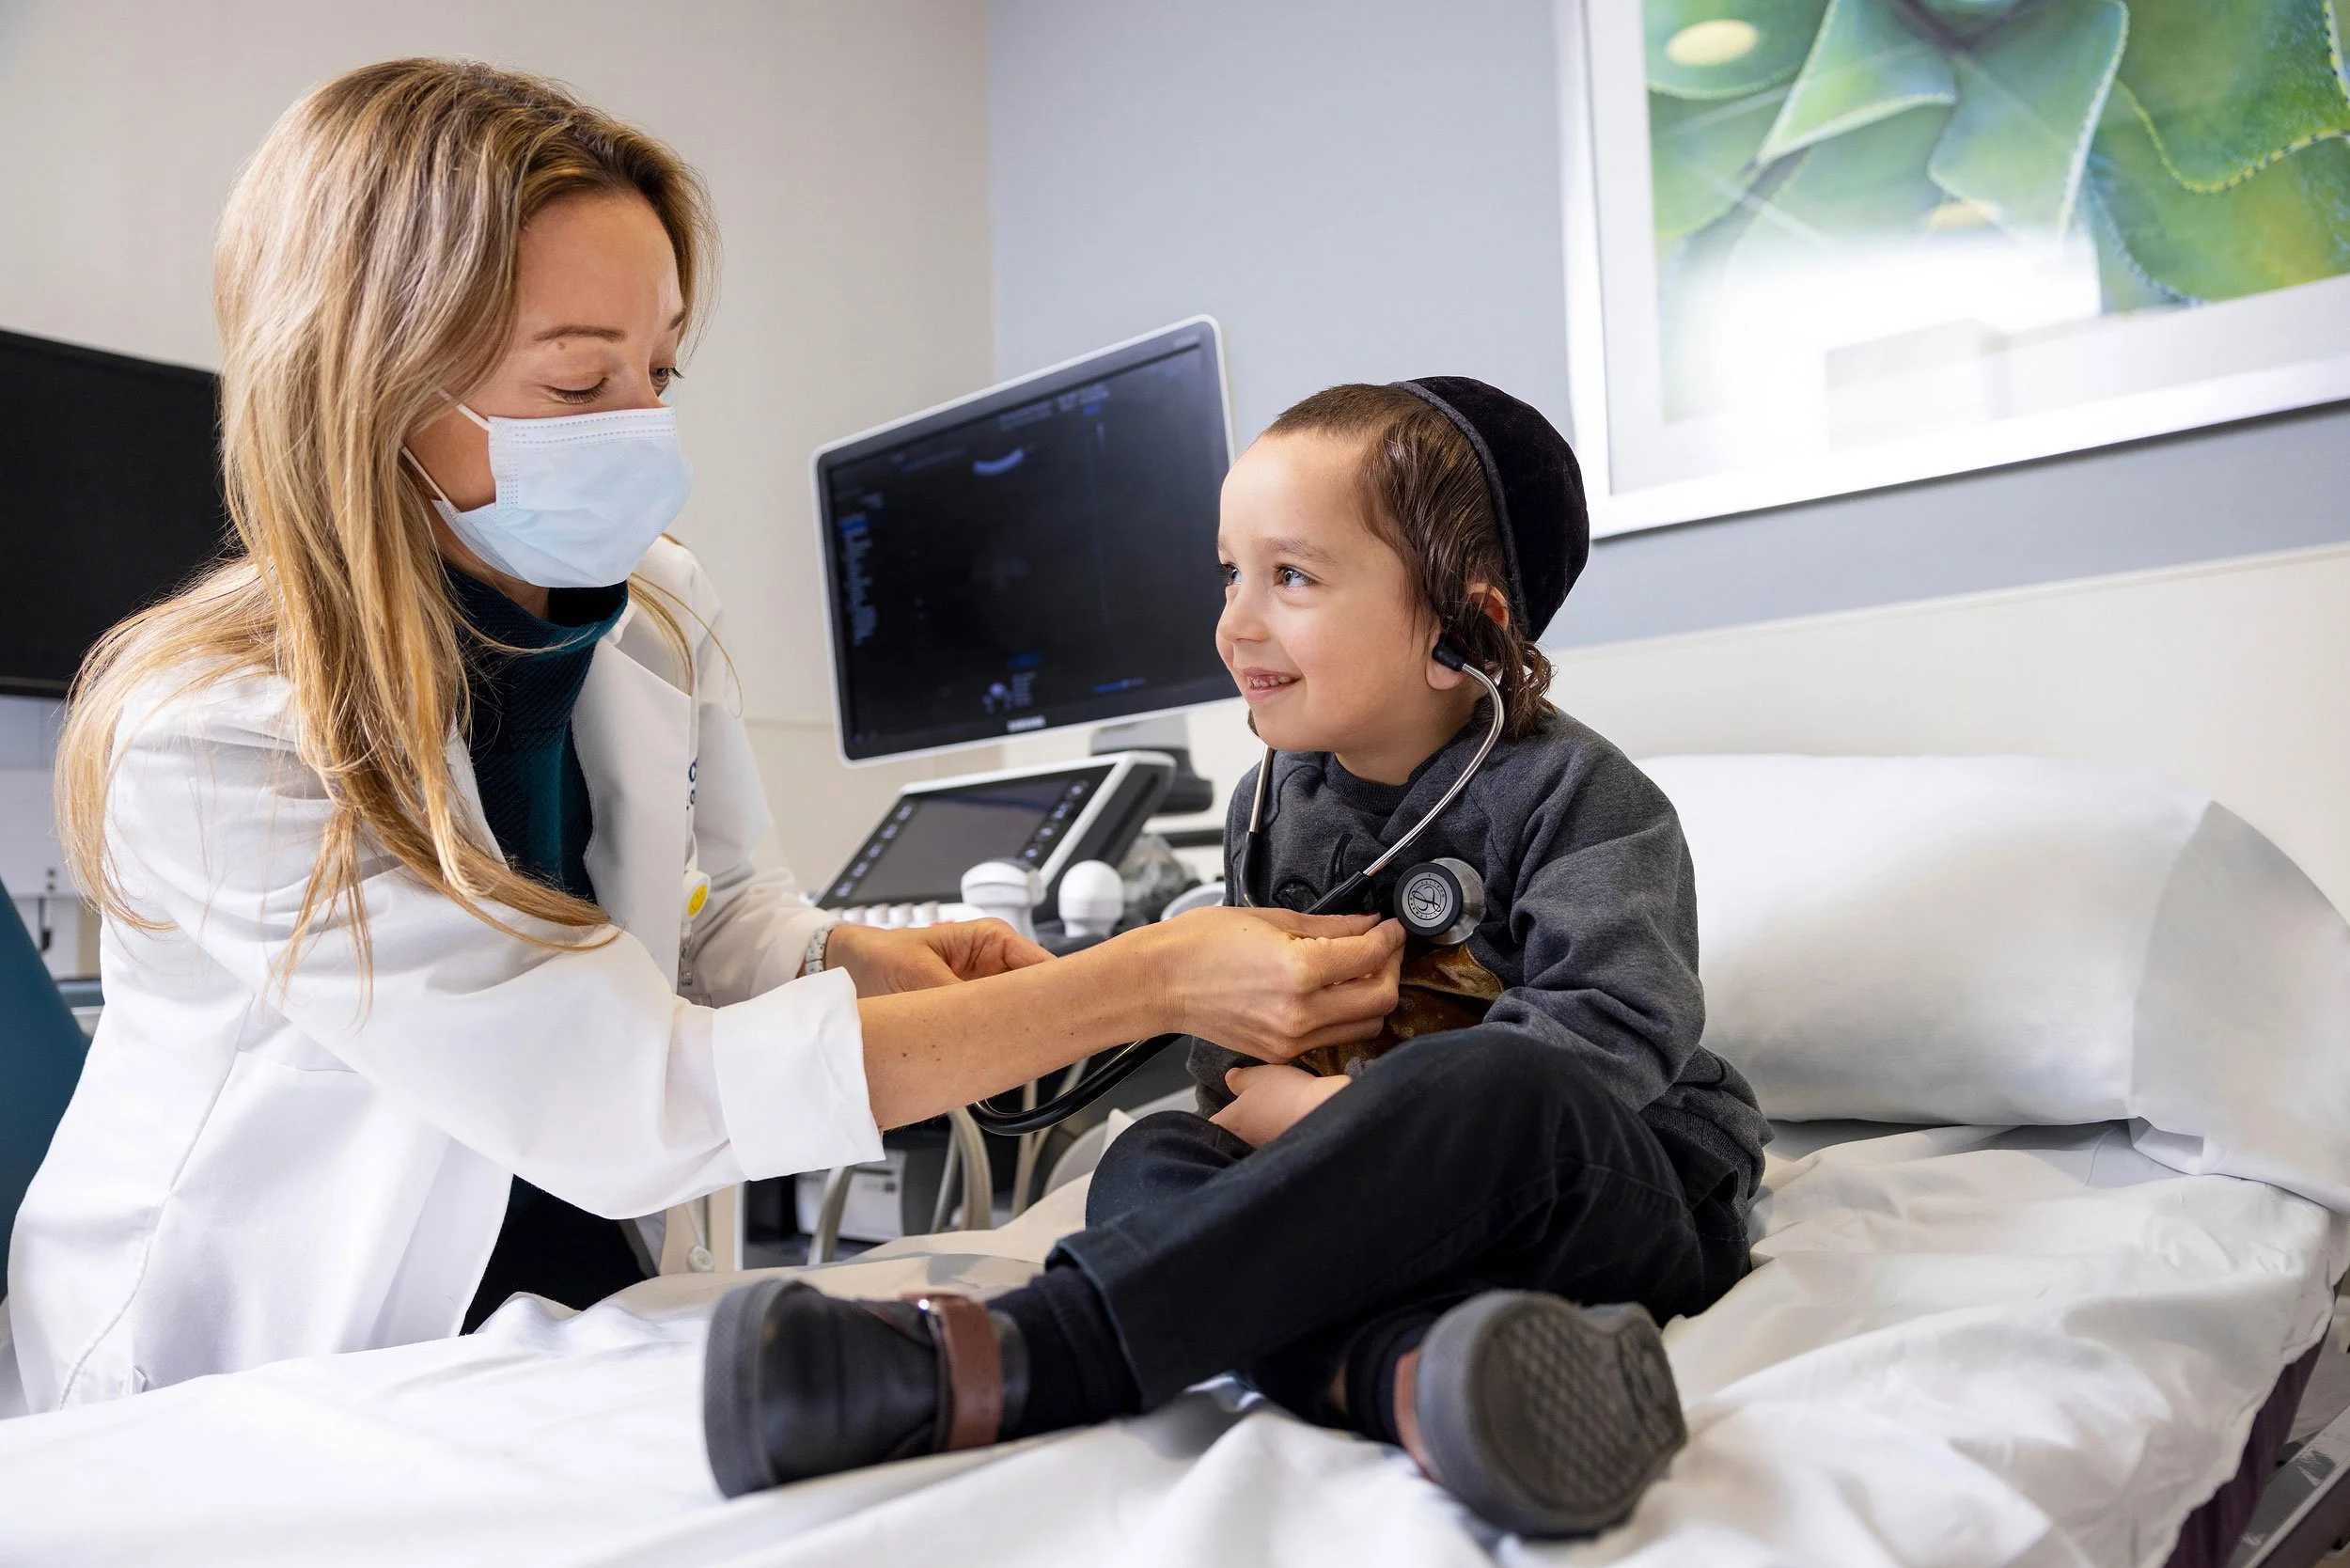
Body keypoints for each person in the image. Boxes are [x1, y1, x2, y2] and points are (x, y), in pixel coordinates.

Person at [8, 59, 1404, 1413]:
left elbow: (715, 918)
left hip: (583, 1309)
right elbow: (625, 1102)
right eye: (575, 385)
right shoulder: (219, 733)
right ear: (368, 384)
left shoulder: (650, 614)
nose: (640, 434)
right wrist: (1145, 982)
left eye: (659, 374)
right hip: (262, 1360)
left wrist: (840, 957)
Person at [705, 380, 1768, 1538]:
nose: (1233, 624)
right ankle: (1405, 1377)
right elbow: (1239, 1040)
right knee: (1148, 1156)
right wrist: (1245, 1094)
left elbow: (1612, 1034)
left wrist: (1331, 1115)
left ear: (1466, 629)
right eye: (1230, 573)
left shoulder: (1580, 798)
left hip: (1596, 1190)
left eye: (1292, 577)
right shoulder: (1273, 802)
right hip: (1375, 1220)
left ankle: (1029, 1350)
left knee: (1500, 1083)